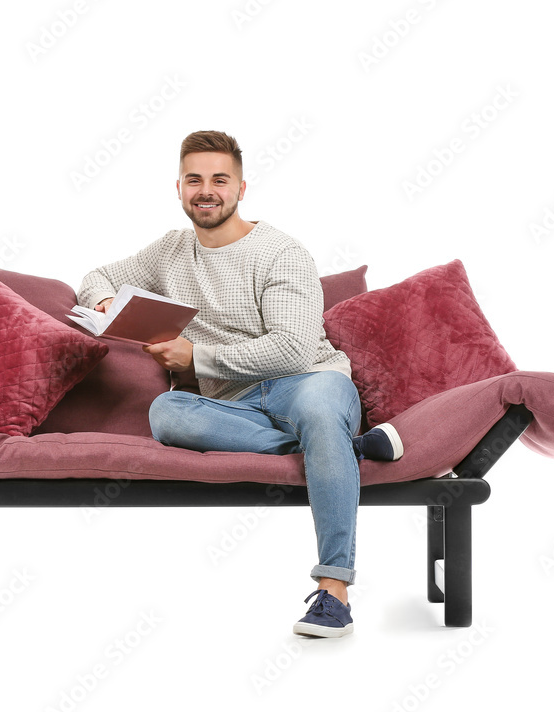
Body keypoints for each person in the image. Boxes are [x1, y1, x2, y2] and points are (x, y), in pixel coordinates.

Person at [76, 130, 404, 638]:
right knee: (166, 413)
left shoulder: (281, 252)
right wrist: (103, 302)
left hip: (308, 381)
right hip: (235, 406)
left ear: (242, 188)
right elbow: (96, 274)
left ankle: (334, 589)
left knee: (319, 414)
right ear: (179, 188)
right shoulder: (171, 250)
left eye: (219, 179)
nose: (206, 190)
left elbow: (292, 349)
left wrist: (196, 355)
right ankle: (343, 448)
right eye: (194, 180)